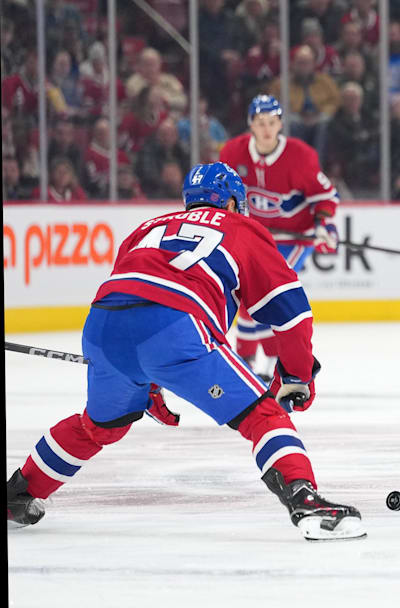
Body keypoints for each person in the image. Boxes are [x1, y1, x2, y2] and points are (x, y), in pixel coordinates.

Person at [6, 162, 364, 541]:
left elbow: (132, 296)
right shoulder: (241, 227)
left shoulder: (145, 229)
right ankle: (304, 499)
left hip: (101, 327)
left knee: (98, 427)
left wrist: (149, 383)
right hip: (176, 325)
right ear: (231, 201)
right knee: (264, 414)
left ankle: (18, 493)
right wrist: (296, 376)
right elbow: (292, 314)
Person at [219, 95, 339, 378]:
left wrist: (323, 224)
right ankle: (247, 360)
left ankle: (270, 361)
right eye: (260, 123)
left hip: (293, 238)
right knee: (246, 294)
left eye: (272, 122)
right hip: (253, 236)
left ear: (281, 124)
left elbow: (325, 197)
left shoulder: (300, 156)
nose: (266, 129)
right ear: (251, 124)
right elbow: (223, 195)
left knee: (266, 291)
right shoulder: (233, 153)